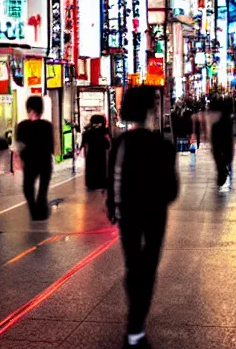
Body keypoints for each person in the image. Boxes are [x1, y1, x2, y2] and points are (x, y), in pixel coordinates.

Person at [107, 86, 179, 349]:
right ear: (151, 112)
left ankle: (135, 320)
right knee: (148, 267)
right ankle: (136, 323)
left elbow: (112, 181)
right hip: (155, 215)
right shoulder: (163, 146)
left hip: (128, 214)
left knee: (133, 265)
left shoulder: (120, 144)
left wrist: (115, 209)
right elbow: (172, 191)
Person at [16, 96, 54, 220]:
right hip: (45, 161)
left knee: (28, 187)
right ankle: (40, 210)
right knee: (43, 188)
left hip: (29, 161)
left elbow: (19, 144)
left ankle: (34, 210)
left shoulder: (22, 126)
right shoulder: (47, 125)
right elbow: (51, 145)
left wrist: (20, 159)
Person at [210, 99, 234, 192]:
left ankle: (222, 173)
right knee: (221, 158)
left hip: (219, 140)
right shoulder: (226, 117)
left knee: (219, 158)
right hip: (225, 141)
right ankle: (223, 172)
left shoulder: (217, 119)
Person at [81, 114, 110, 190]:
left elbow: (84, 143)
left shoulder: (87, 132)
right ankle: (101, 183)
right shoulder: (105, 132)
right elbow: (108, 145)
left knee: (91, 169)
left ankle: (91, 184)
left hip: (91, 155)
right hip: (101, 154)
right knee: (101, 169)